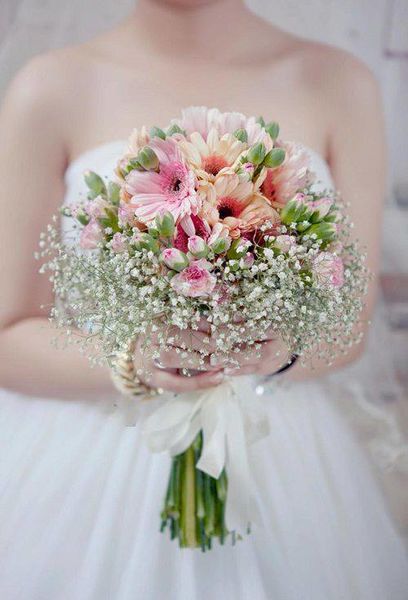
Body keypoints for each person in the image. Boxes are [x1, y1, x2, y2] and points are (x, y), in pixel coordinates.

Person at [0, 1, 406, 598]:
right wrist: (135, 359)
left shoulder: (339, 82)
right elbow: (8, 333)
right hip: (88, 454)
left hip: (279, 450)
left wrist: (275, 350)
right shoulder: (50, 86)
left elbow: (352, 325)